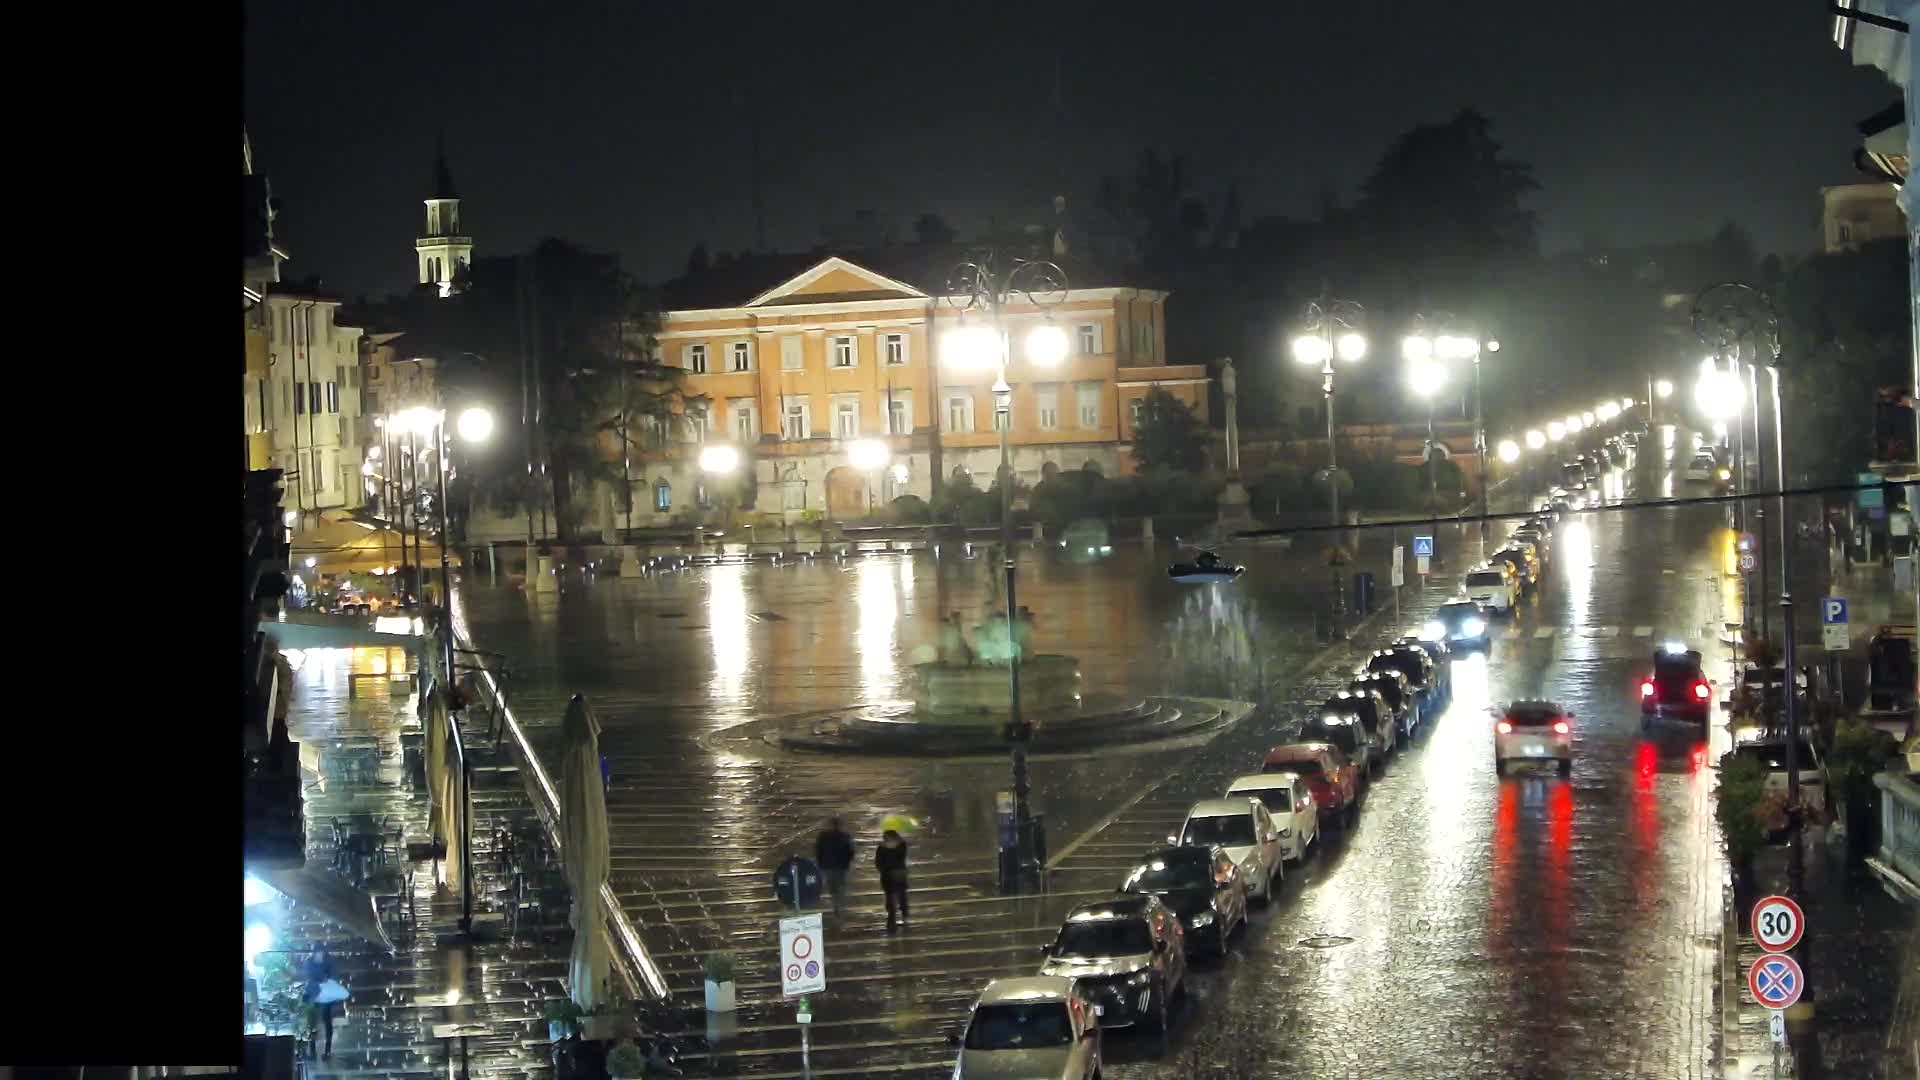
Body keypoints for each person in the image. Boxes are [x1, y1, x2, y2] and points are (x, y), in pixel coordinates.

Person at [302, 945, 338, 1060]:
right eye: (317, 953)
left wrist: (326, 980)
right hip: (314, 994)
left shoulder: (328, 962)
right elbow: (310, 976)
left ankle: (327, 1051)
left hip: (325, 995)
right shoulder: (310, 963)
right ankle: (312, 1051)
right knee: (312, 1023)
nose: (319, 955)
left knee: (327, 1023)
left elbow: (332, 976)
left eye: (320, 953)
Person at [815, 817, 855, 914]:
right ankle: (838, 904)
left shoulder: (823, 836)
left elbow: (818, 851)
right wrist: (848, 862)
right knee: (840, 885)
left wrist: (820, 863)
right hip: (841, 866)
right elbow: (851, 851)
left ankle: (836, 904)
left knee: (832, 886)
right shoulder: (845, 836)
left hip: (829, 865)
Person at [875, 829, 910, 932]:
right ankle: (893, 916)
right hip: (891, 875)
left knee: (900, 896)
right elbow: (878, 862)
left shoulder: (900, 845)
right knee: (892, 896)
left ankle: (902, 914)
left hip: (895, 874)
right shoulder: (884, 847)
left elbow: (878, 862)